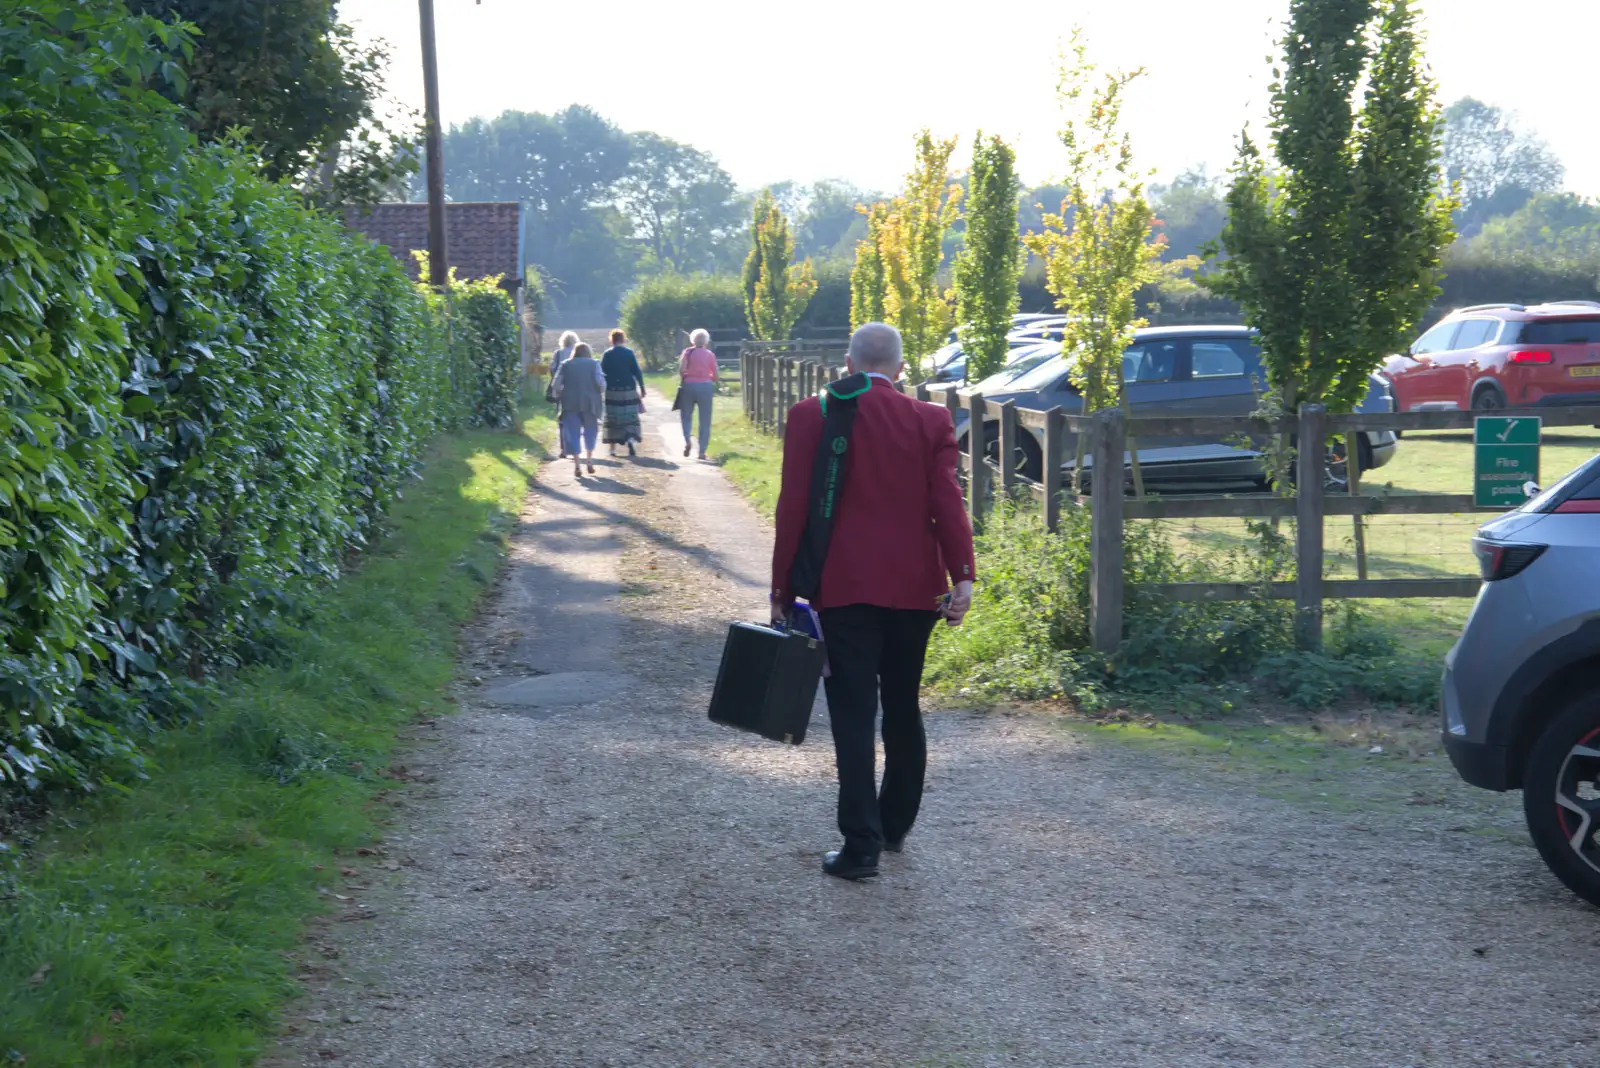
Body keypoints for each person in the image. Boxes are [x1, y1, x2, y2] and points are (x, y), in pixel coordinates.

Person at [769, 322, 975, 881]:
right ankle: (895, 824)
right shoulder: (931, 419)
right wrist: (963, 575)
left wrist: (782, 589)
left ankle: (860, 844)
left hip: (843, 588)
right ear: (901, 369)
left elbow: (793, 507)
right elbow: (948, 504)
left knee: (853, 714)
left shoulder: (812, 416)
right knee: (904, 707)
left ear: (848, 362)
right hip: (915, 589)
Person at [553, 342, 605, 477]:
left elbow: (556, 384)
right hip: (590, 403)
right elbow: (601, 383)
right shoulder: (594, 364)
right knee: (591, 431)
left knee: (572, 433)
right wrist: (599, 391)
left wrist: (558, 394)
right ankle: (589, 460)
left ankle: (577, 465)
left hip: (570, 403)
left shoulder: (566, 364)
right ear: (588, 352)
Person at [600, 329, 646, 457]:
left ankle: (613, 449)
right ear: (623, 339)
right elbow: (637, 371)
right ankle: (630, 439)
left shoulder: (607, 354)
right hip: (628, 389)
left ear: (612, 340)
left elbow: (602, 373)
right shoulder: (629, 353)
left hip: (612, 390)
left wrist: (600, 388)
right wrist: (642, 387)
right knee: (630, 416)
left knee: (613, 417)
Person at [677, 328, 718, 459]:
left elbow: (682, 370)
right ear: (706, 341)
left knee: (686, 415)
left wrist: (689, 375)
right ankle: (701, 451)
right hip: (705, 386)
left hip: (689, 385)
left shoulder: (687, 352)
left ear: (692, 340)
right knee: (705, 419)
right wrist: (708, 377)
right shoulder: (710, 354)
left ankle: (687, 439)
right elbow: (716, 375)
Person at [547, 331, 581, 457]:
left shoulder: (558, 353)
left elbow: (553, 370)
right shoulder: (579, 353)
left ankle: (564, 449)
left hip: (562, 391)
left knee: (562, 419)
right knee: (577, 417)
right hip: (578, 391)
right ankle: (575, 446)